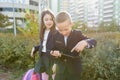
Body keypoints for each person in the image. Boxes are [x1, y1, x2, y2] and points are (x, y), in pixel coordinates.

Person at [50, 11, 97, 80]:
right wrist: (53, 52)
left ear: (71, 24)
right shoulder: (55, 35)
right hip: (60, 71)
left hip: (74, 71)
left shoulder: (77, 34)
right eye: (60, 30)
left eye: (66, 29)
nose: (63, 32)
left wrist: (84, 42)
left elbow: (94, 41)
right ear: (56, 27)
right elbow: (51, 48)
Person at [30, 9, 56, 80]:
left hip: (52, 59)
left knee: (54, 76)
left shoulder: (56, 32)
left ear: (54, 20)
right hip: (43, 57)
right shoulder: (43, 31)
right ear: (43, 21)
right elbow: (43, 45)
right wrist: (35, 48)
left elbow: (59, 48)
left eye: (51, 19)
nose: (49, 21)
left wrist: (56, 63)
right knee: (44, 77)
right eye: (46, 19)